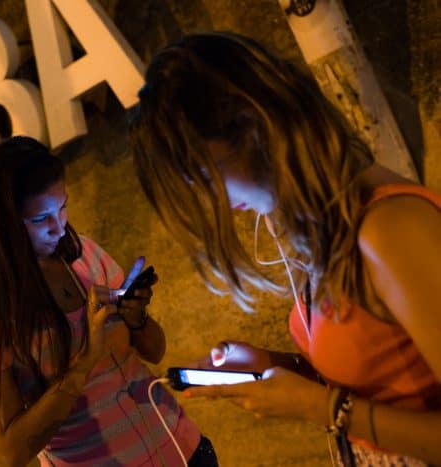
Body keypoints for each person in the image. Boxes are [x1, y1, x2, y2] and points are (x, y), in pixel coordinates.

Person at [128, 32, 441, 466]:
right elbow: (382, 374)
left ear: (253, 125)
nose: (210, 201)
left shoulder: (391, 228)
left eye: (205, 175)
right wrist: (275, 364)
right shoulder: (324, 226)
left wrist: (321, 409)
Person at [0, 136, 218, 466]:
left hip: (183, 448)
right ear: (1, 224)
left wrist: (137, 318)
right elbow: (13, 449)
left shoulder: (83, 254)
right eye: (39, 219)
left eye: (62, 208)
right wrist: (85, 358)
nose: (58, 227)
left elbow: (154, 351)